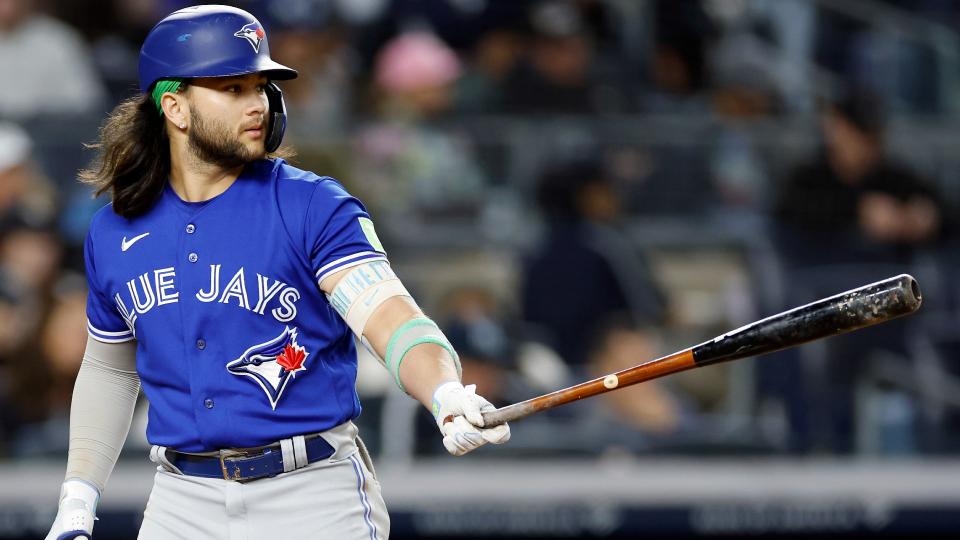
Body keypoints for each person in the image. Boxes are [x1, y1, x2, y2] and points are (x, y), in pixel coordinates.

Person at [45, 6, 510, 540]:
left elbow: (389, 315)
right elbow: (109, 369)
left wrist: (444, 392)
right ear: (174, 106)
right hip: (181, 496)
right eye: (233, 87)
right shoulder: (115, 230)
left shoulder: (311, 205)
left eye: (261, 86)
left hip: (312, 493)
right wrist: (77, 500)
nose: (257, 104)